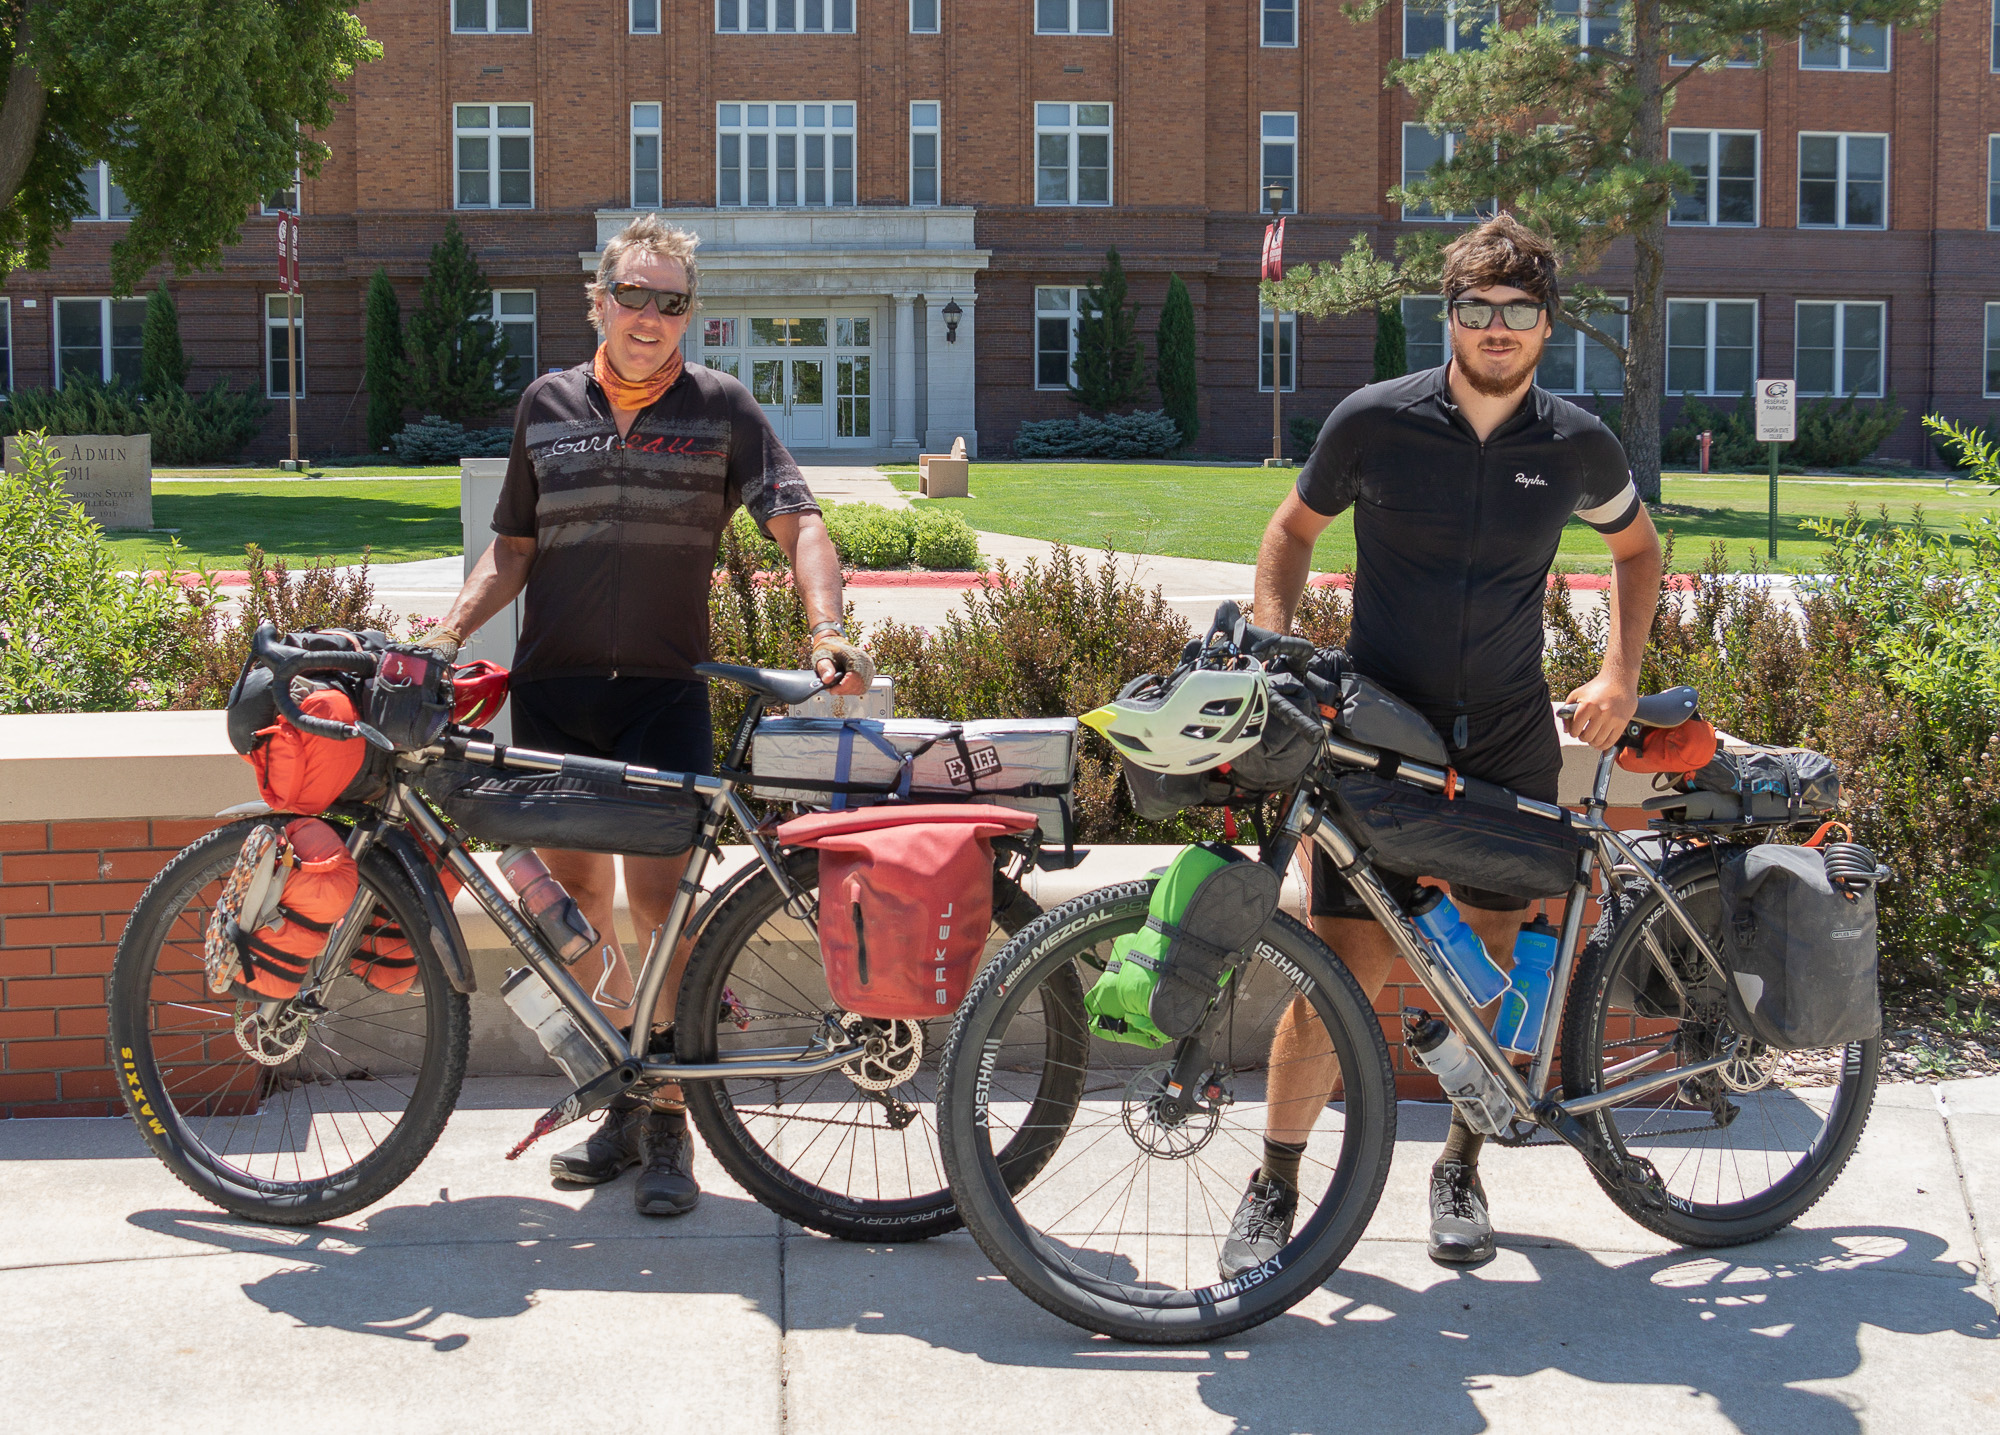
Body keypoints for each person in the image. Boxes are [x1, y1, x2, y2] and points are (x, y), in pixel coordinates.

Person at [1220, 213, 1663, 1275]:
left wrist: (1616, 673)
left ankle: (1460, 1165)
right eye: (1477, 309)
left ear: (1544, 326)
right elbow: (1288, 531)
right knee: (1340, 968)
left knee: (1493, 960)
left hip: (1506, 735)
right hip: (1377, 737)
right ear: (1449, 317)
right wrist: (1274, 646)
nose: (1496, 328)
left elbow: (1636, 549)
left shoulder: (1572, 442)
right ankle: (1274, 1184)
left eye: (1516, 312)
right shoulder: (1375, 421)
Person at [421, 213, 871, 1217]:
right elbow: (512, 549)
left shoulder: (722, 409)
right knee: (578, 921)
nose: (650, 317)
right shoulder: (546, 404)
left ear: (687, 316)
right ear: (601, 297)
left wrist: (826, 626)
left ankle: (670, 1125)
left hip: (663, 695)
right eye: (635, 295)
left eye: (671, 302)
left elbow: (800, 523)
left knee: (660, 917)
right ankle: (626, 1097)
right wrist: (449, 632)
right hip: (552, 694)